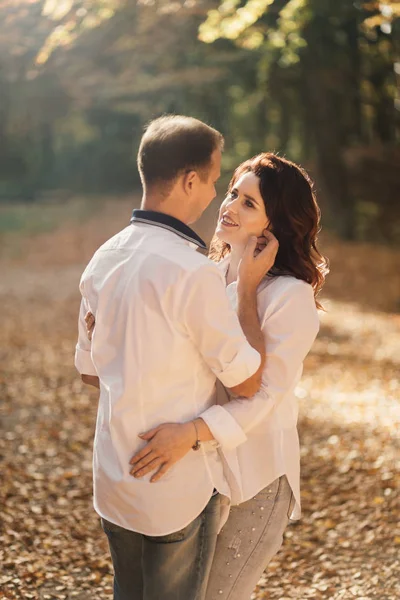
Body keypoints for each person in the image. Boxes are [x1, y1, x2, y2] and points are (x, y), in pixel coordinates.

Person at [96, 152, 328, 599]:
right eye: (232, 193)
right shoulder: (207, 270)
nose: (230, 207)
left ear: (274, 223)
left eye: (249, 204)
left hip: (256, 480)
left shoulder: (291, 297)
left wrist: (190, 433)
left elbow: (262, 396)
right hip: (204, 475)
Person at [75, 115, 279, 600]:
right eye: (212, 181)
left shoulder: (103, 258)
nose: (214, 195)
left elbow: (89, 375)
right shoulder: (192, 272)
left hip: (114, 475)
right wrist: (247, 287)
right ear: (190, 180)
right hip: (176, 485)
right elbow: (248, 384)